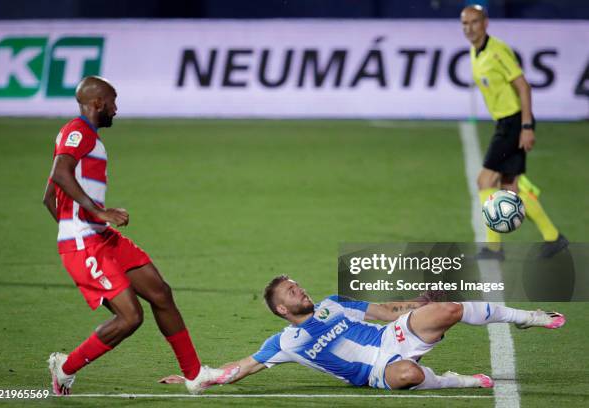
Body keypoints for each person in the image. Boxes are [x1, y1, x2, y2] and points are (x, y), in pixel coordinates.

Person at [42, 76, 237, 395]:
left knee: (160, 292)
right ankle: (65, 367)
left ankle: (194, 374)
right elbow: (59, 174)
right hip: (86, 241)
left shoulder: (87, 137)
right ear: (98, 103)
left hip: (100, 237)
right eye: (113, 101)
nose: (116, 109)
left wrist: (79, 225)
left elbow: (48, 197)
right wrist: (89, 220)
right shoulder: (77, 132)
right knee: (131, 317)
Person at [159, 275, 565, 392]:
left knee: (450, 309)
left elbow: (386, 311)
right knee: (407, 375)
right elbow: (241, 368)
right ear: (283, 310)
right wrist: (201, 376)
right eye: (291, 292)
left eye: (296, 284)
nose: (300, 289)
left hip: (393, 336)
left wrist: (418, 306)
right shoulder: (285, 343)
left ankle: (528, 317)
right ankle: (455, 381)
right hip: (377, 372)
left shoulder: (334, 303)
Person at [460, 4, 568, 260]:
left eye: (474, 22)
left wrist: (526, 126)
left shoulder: (497, 51)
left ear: (485, 23)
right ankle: (553, 237)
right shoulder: (476, 51)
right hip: (505, 123)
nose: (469, 28)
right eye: (465, 23)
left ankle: (494, 247)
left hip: (513, 123)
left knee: (485, 181)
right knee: (510, 186)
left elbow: (524, 87)